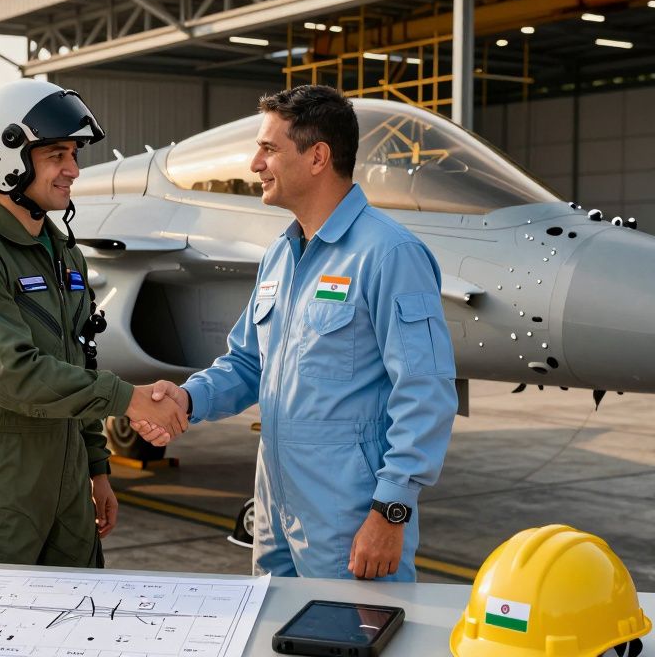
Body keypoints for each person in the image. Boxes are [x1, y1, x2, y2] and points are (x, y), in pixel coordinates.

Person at [137, 85, 456, 581]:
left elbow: (426, 391)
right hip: (276, 511)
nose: (254, 163)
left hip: (350, 519)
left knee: (351, 637)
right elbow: (246, 364)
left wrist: (390, 512)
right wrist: (185, 398)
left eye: (269, 148)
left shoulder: (389, 255)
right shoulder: (279, 256)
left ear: (318, 157)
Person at [0, 79, 186, 567]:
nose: (73, 170)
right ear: (8, 156)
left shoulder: (65, 255)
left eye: (74, 155)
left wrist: (97, 469)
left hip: (68, 482)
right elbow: (11, 375)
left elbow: (78, 359)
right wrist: (130, 398)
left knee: (77, 626)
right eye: (57, 155)